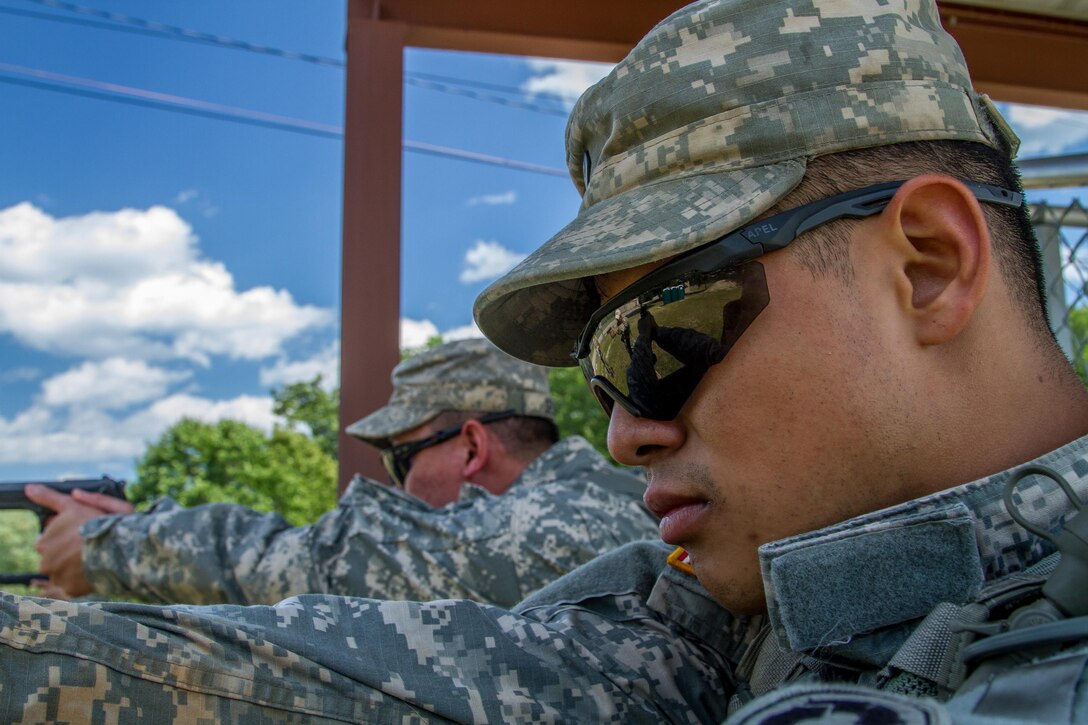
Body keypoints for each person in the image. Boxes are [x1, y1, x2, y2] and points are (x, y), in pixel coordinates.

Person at [2, 0, 1087, 721]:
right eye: (600, 377)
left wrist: (121, 545)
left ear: (931, 267)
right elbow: (371, 677)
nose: (621, 432)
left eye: (659, 336)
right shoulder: (743, 602)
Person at [23, 338, 656, 606]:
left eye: (401, 457)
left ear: (470, 447)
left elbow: (330, 561)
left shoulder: (563, 519)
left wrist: (112, 548)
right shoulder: (597, 502)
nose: (396, 484)